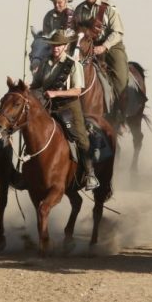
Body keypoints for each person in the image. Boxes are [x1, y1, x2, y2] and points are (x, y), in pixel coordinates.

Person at [33, 30, 99, 190]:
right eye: (54, 45)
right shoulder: (44, 64)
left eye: (59, 45)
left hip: (69, 107)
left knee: (81, 139)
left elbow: (77, 91)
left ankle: (90, 174)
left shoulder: (73, 64)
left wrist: (56, 93)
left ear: (66, 46)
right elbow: (36, 85)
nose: (56, 48)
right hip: (49, 106)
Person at [73, 0, 128, 104]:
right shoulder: (79, 10)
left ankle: (122, 110)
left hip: (111, 46)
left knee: (121, 78)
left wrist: (104, 46)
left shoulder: (109, 8)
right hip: (87, 46)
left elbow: (118, 32)